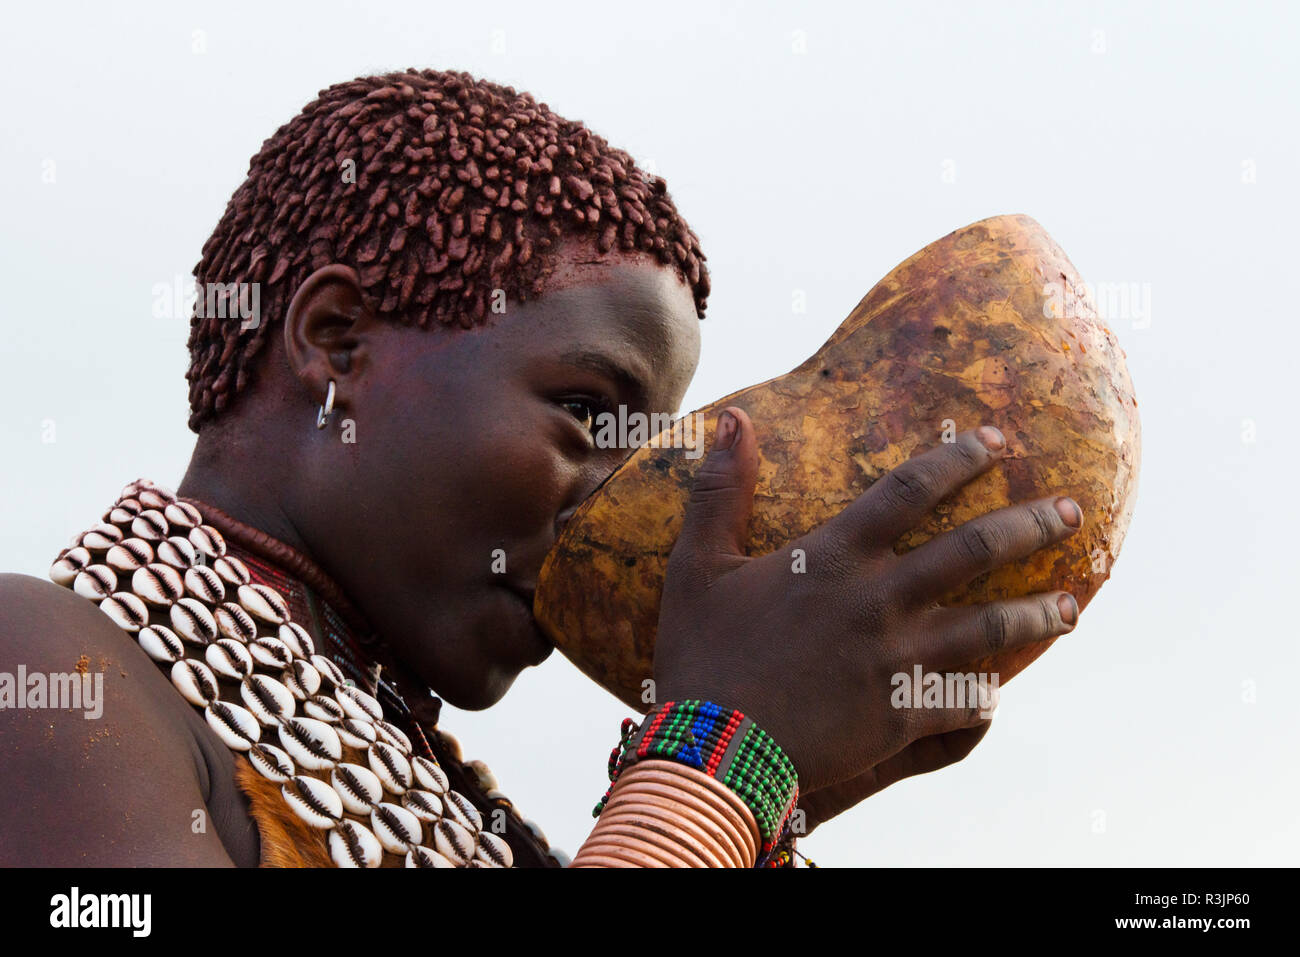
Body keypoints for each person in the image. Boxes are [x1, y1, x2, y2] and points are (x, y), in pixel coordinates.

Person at [0, 68, 1082, 868]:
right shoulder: (47, 671)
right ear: (334, 343)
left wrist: (763, 801)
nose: (625, 498)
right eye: (583, 412)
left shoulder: (465, 811)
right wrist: (716, 750)